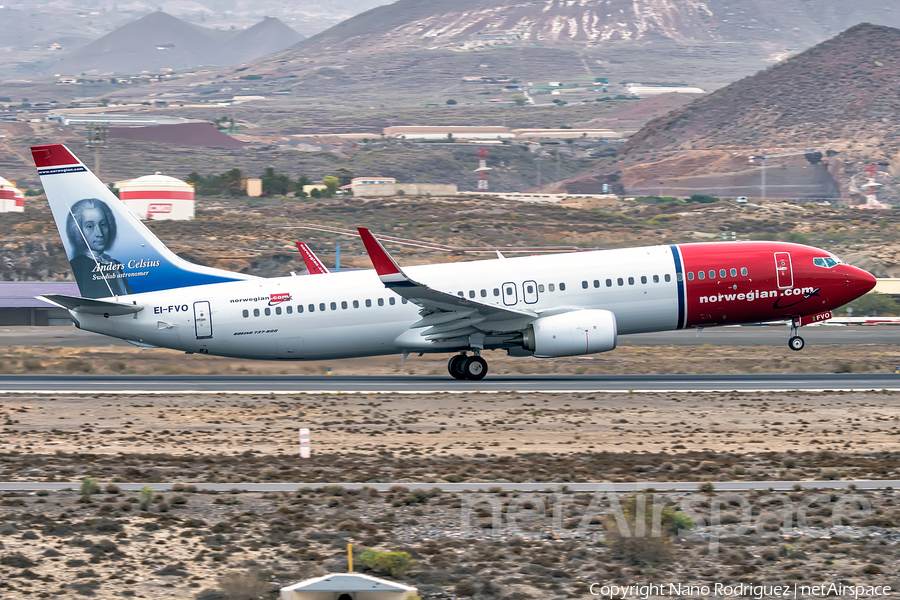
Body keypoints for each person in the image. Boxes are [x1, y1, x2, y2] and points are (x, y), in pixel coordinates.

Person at [65, 198, 132, 298]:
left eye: (103, 224)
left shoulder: (114, 264)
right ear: (78, 230)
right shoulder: (79, 266)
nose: (99, 233)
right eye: (90, 226)